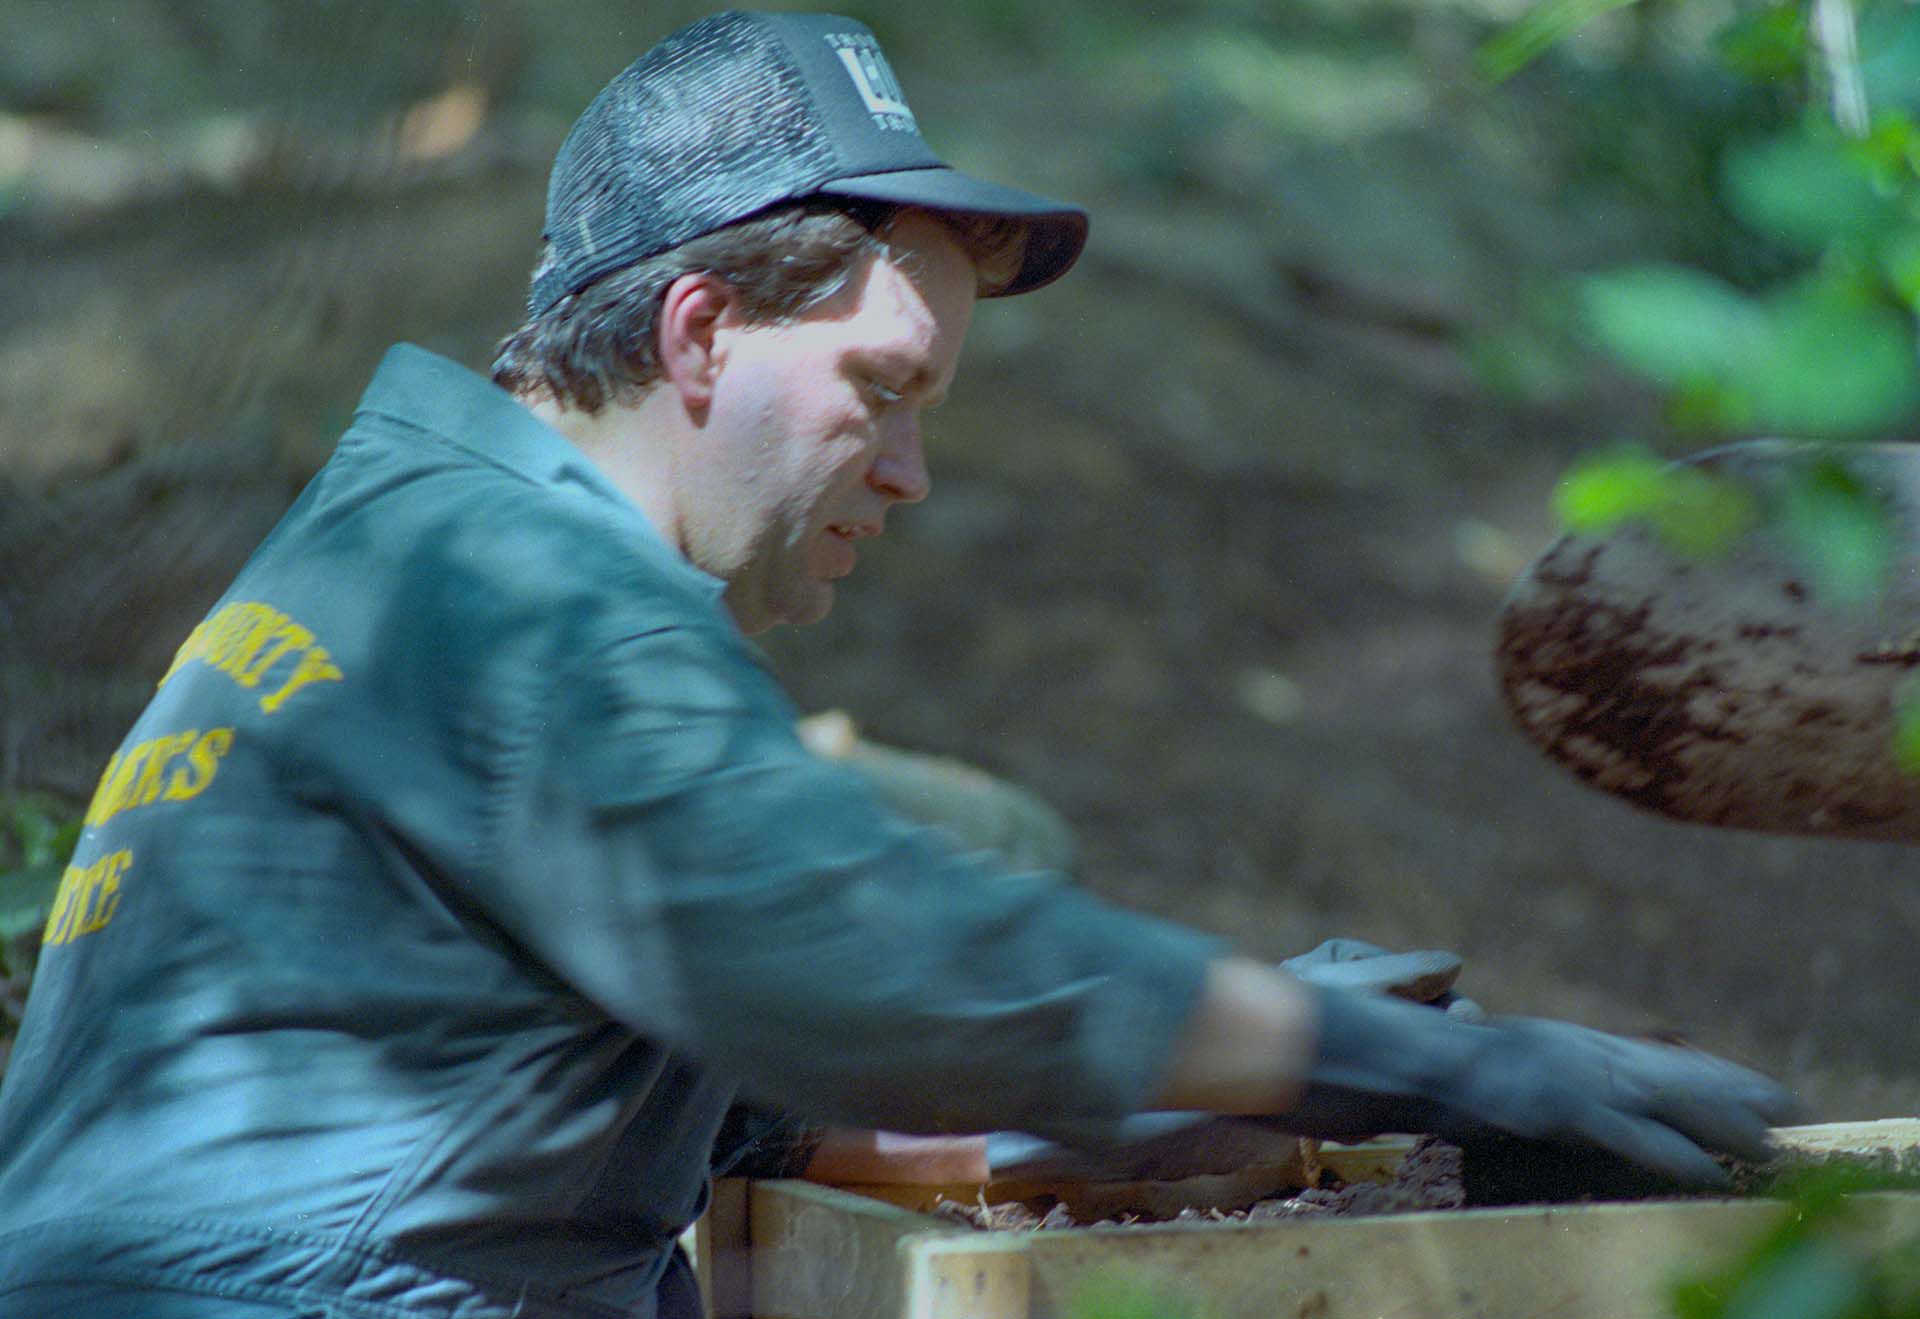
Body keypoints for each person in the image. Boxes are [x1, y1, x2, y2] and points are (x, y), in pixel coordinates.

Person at [0, 12, 1798, 1319]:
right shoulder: (528, 603)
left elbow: (731, 1059)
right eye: (883, 393)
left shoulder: (406, 542)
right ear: (700, 330)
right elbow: (888, 957)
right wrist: (1403, 1069)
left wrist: (1164, 1105)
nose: (913, 474)